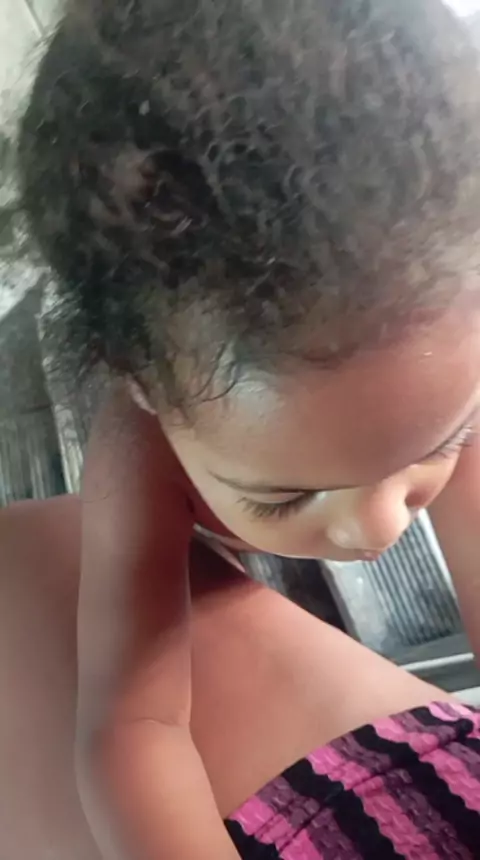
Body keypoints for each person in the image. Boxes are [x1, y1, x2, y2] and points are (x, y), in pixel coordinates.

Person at [3, 0, 480, 856]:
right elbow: (134, 723)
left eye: (436, 447)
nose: (378, 528)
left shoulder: (448, 371)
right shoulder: (139, 450)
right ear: (145, 387)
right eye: (288, 493)